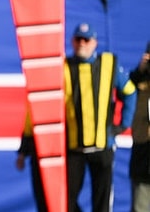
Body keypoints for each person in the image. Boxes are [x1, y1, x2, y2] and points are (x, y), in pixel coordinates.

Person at [64, 22, 137, 212]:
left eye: (86, 40)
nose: (82, 43)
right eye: (78, 39)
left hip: (102, 146)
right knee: (66, 200)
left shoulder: (108, 65)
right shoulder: (64, 67)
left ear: (94, 42)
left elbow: (130, 91)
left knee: (102, 202)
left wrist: (123, 124)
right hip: (73, 147)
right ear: (72, 41)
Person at [130, 42, 150, 212]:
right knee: (140, 207)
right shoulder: (140, 79)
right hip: (143, 153)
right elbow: (126, 90)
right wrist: (139, 70)